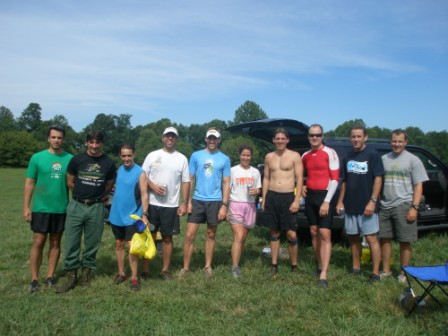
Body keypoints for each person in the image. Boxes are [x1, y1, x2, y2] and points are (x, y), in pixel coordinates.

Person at [56, 130, 116, 293]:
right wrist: (81, 194)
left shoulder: (109, 163)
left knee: (92, 243)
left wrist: (97, 197)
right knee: (71, 243)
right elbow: (70, 181)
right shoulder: (77, 160)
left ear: (102, 143)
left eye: (97, 143)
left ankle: (86, 275)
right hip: (76, 206)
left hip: (96, 207)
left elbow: (109, 184)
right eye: (91, 142)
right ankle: (71, 276)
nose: (94, 146)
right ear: (87, 142)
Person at [23, 125, 73, 292]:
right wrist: (26, 207)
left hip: (61, 208)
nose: (56, 140)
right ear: (48, 138)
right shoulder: (37, 158)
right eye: (53, 137)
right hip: (41, 208)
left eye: (59, 137)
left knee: (55, 242)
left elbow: (73, 184)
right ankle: (34, 278)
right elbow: (29, 183)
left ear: (63, 139)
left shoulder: (70, 159)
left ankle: (50, 276)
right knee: (38, 241)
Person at [378, 129, 429, 283]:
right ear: (390, 142)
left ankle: (403, 273)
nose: (397, 144)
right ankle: (386, 271)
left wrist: (414, 207)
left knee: (404, 241)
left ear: (405, 142)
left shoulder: (413, 160)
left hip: (404, 205)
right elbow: (379, 181)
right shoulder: (384, 159)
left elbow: (418, 185)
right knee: (385, 239)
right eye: (394, 141)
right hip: (385, 205)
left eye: (400, 141)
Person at [179, 127, 231, 277]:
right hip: (197, 200)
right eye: (210, 138)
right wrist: (187, 201)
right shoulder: (196, 156)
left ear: (219, 140)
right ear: (206, 139)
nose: (212, 141)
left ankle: (207, 266)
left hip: (215, 201)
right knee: (189, 235)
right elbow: (190, 179)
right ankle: (185, 268)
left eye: (215, 138)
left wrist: (224, 205)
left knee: (211, 234)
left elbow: (226, 182)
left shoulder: (224, 159)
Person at [336, 124, 384, 284]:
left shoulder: (372, 155)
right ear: (350, 138)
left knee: (371, 239)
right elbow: (344, 182)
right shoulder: (347, 156)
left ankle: (375, 273)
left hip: (367, 206)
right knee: (353, 238)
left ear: (365, 137)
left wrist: (372, 201)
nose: (356, 139)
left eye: (359, 136)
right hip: (350, 205)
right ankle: (356, 267)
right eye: (353, 136)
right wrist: (340, 201)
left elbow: (378, 178)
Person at [141, 127, 190, 280]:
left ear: (176, 139)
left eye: (173, 137)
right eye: (167, 136)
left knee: (168, 238)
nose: (170, 139)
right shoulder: (152, 155)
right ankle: (145, 271)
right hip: (152, 204)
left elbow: (186, 181)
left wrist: (184, 202)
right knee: (150, 236)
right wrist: (153, 186)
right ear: (162, 138)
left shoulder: (181, 158)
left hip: (171, 205)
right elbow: (142, 176)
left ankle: (165, 270)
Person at [302, 124, 339, 288]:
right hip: (311, 196)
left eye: (317, 135)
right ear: (308, 137)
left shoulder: (330, 153)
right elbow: (303, 174)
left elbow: (335, 179)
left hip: (325, 195)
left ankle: (324, 274)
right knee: (314, 231)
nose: (314, 137)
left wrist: (327, 201)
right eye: (311, 135)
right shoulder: (305, 155)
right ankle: (318, 265)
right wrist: (303, 184)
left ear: (322, 136)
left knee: (325, 233)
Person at [262, 128, 303, 275]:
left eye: (282, 138)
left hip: (288, 197)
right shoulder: (269, 157)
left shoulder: (295, 156)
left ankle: (294, 266)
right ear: (273, 140)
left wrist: (297, 200)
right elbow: (266, 178)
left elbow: (299, 180)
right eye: (277, 138)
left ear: (287, 140)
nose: (280, 141)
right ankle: (274, 265)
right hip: (272, 196)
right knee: (274, 231)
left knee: (291, 233)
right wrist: (264, 197)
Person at [108, 144, 149, 292]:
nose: (126, 158)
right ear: (120, 156)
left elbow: (144, 194)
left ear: (134, 155)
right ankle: (121, 273)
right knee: (119, 243)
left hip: (133, 216)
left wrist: (144, 215)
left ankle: (134, 277)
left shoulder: (140, 172)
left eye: (129, 155)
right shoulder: (118, 170)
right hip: (116, 215)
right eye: (123, 156)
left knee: (132, 247)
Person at [227, 144, 262, 278]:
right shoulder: (232, 170)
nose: (245, 158)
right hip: (235, 204)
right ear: (239, 155)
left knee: (243, 238)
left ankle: (237, 258)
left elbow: (258, 189)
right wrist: (225, 206)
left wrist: (257, 191)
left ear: (251, 156)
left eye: (248, 155)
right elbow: (227, 189)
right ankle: (235, 267)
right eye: (243, 155)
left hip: (250, 205)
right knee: (239, 236)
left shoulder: (255, 172)